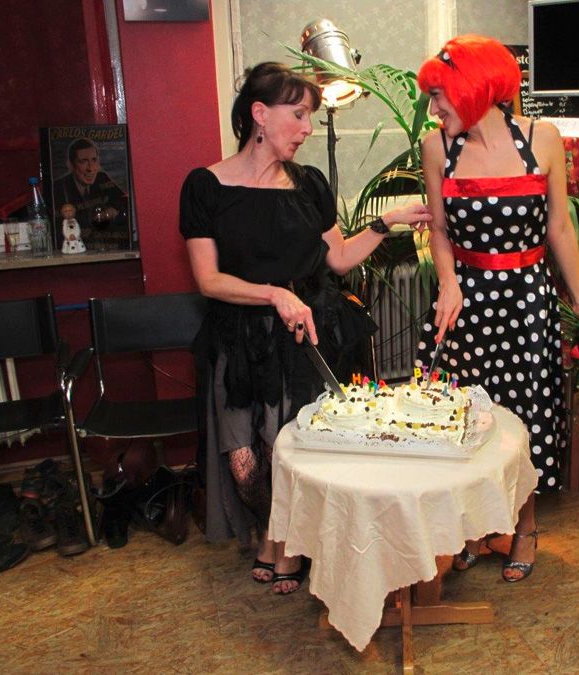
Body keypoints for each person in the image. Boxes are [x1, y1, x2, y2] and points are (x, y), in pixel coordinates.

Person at [180, 62, 430, 595]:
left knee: (291, 452)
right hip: (239, 339)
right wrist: (273, 294)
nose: (307, 129)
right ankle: (272, 532)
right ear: (259, 114)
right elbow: (208, 279)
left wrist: (387, 222)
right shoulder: (205, 186)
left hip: (305, 337)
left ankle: (286, 545)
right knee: (245, 463)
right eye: (297, 115)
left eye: (309, 117)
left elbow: (338, 259)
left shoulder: (309, 184)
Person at [414, 36, 579, 582]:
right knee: (465, 419)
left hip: (526, 302)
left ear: (473, 88)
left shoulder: (543, 139)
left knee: (524, 418)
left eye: (439, 94)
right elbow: (439, 231)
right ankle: (471, 530)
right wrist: (448, 282)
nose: (433, 107)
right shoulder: (435, 147)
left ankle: (524, 527)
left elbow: (559, 228)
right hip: (464, 303)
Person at [52, 137, 129, 249]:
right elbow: (58, 227)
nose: (91, 168)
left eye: (94, 160)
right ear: (71, 165)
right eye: (83, 161)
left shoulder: (101, 178)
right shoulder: (58, 188)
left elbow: (123, 200)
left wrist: (113, 208)